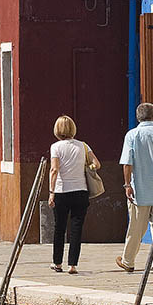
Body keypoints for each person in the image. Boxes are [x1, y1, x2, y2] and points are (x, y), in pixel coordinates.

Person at [116, 102, 153, 275]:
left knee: (136, 227)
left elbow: (127, 163)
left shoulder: (132, 136)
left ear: (138, 117)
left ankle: (128, 261)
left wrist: (127, 184)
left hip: (139, 190)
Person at [48, 115, 99, 274]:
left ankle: (57, 263)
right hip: (81, 191)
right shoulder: (83, 146)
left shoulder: (56, 147)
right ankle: (72, 265)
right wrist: (86, 166)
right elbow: (97, 164)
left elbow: (54, 170)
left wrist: (51, 192)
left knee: (59, 228)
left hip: (62, 191)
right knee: (77, 228)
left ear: (57, 130)